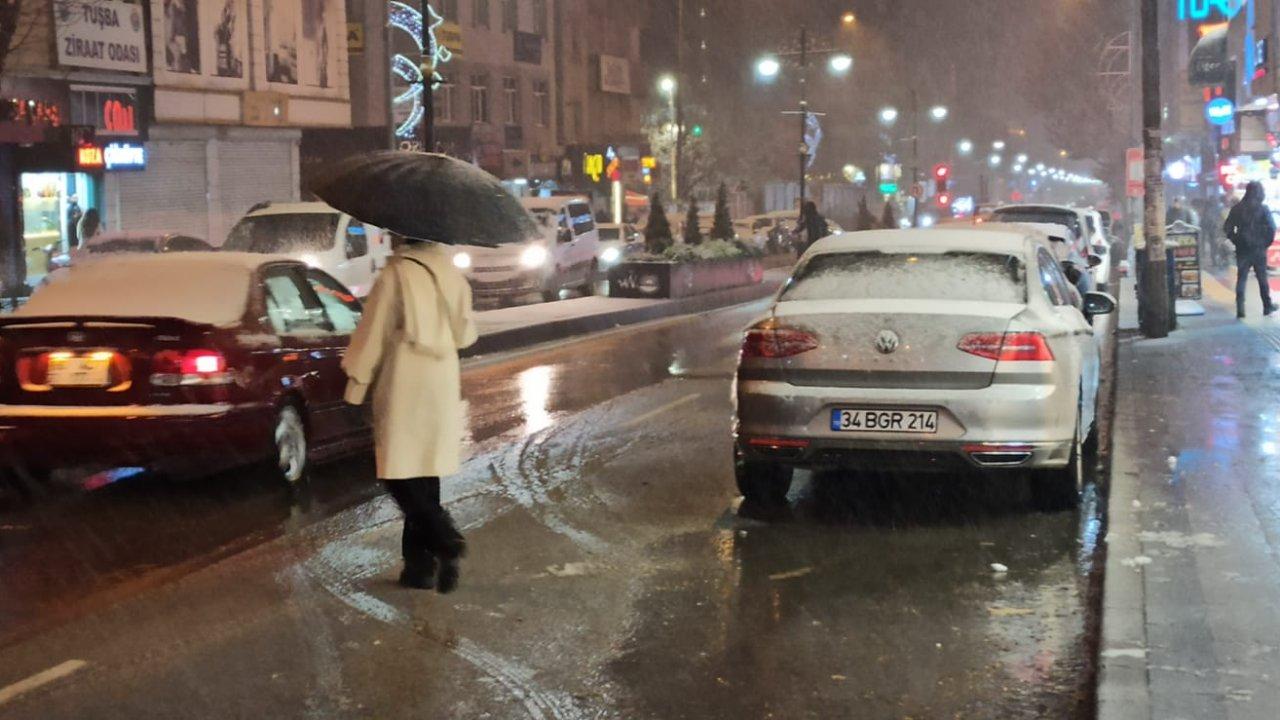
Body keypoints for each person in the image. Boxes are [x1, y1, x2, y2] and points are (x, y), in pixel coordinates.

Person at [342, 236, 478, 592]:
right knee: (425, 468)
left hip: (405, 376)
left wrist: (355, 388)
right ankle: (419, 567)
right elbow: (465, 334)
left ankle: (443, 536)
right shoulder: (450, 272)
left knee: (396, 470)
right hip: (442, 376)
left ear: (402, 235)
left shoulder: (395, 273)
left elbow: (373, 334)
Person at [1223, 181, 1277, 319]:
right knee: (1262, 278)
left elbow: (1227, 228)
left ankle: (1240, 308)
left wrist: (1236, 240)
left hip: (1242, 249)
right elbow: (1271, 228)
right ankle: (1267, 306)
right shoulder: (1263, 209)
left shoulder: (1237, 208)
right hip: (1259, 249)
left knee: (1241, 278)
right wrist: (1265, 243)